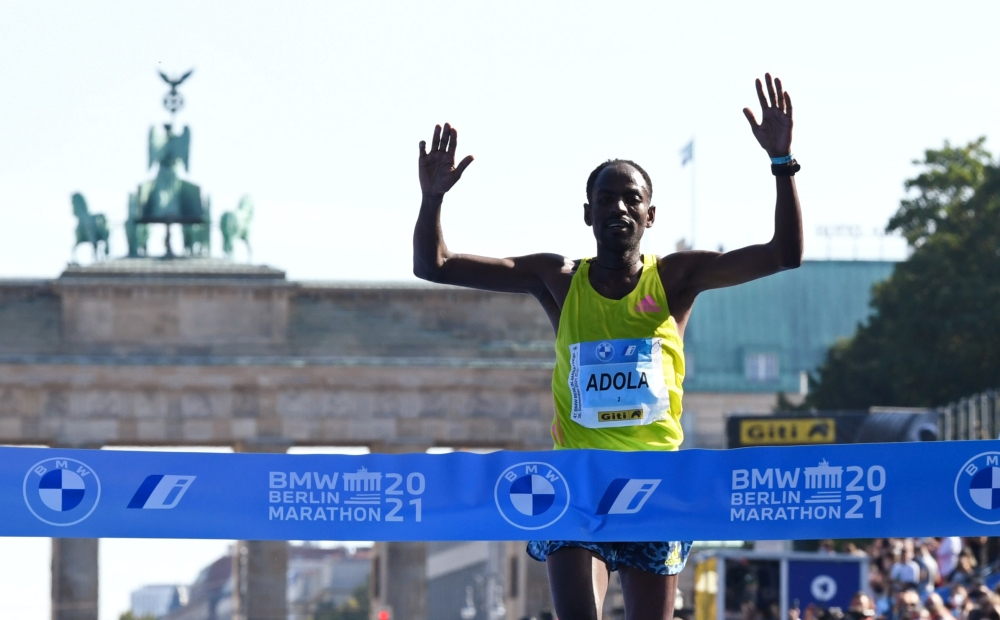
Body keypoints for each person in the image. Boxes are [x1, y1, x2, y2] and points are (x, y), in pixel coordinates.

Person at [412, 73, 802, 620]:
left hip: (653, 483)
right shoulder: (558, 279)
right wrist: (432, 198)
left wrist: (782, 163)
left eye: (631, 199)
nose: (618, 207)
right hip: (578, 481)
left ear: (650, 215)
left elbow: (784, 254)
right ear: (587, 214)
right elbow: (434, 265)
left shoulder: (677, 278)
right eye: (605, 199)